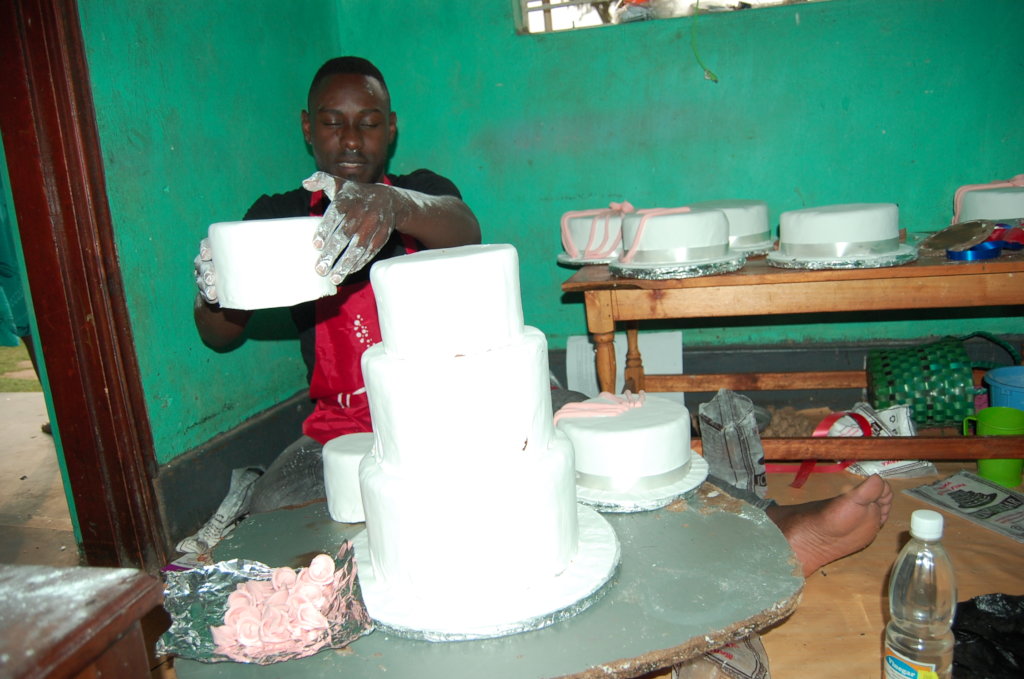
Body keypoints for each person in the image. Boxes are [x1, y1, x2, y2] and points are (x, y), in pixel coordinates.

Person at [191, 56, 480, 531]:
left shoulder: (420, 195)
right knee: (274, 513)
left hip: (444, 407)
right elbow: (219, 335)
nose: (350, 139)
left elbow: (465, 229)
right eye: (332, 123)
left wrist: (394, 205)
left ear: (391, 129)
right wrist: (215, 292)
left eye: (368, 124)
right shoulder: (278, 216)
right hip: (342, 431)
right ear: (308, 128)